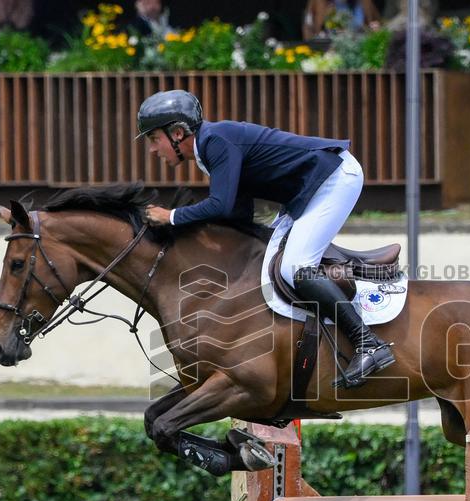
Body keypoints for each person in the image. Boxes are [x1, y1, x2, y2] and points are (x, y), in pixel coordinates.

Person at [137, 90, 395, 388]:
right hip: (307, 191)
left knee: (294, 268)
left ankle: (369, 344)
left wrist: (170, 217)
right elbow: (238, 212)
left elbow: (220, 205)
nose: (153, 150)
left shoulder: (215, 142)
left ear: (178, 133)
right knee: (267, 262)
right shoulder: (211, 148)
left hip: (334, 180)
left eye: (154, 139)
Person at [302, 0, 381, 40]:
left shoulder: (364, 2)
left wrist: (375, 29)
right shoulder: (318, 3)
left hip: (360, 50)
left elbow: (376, 23)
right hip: (327, 52)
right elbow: (309, 29)